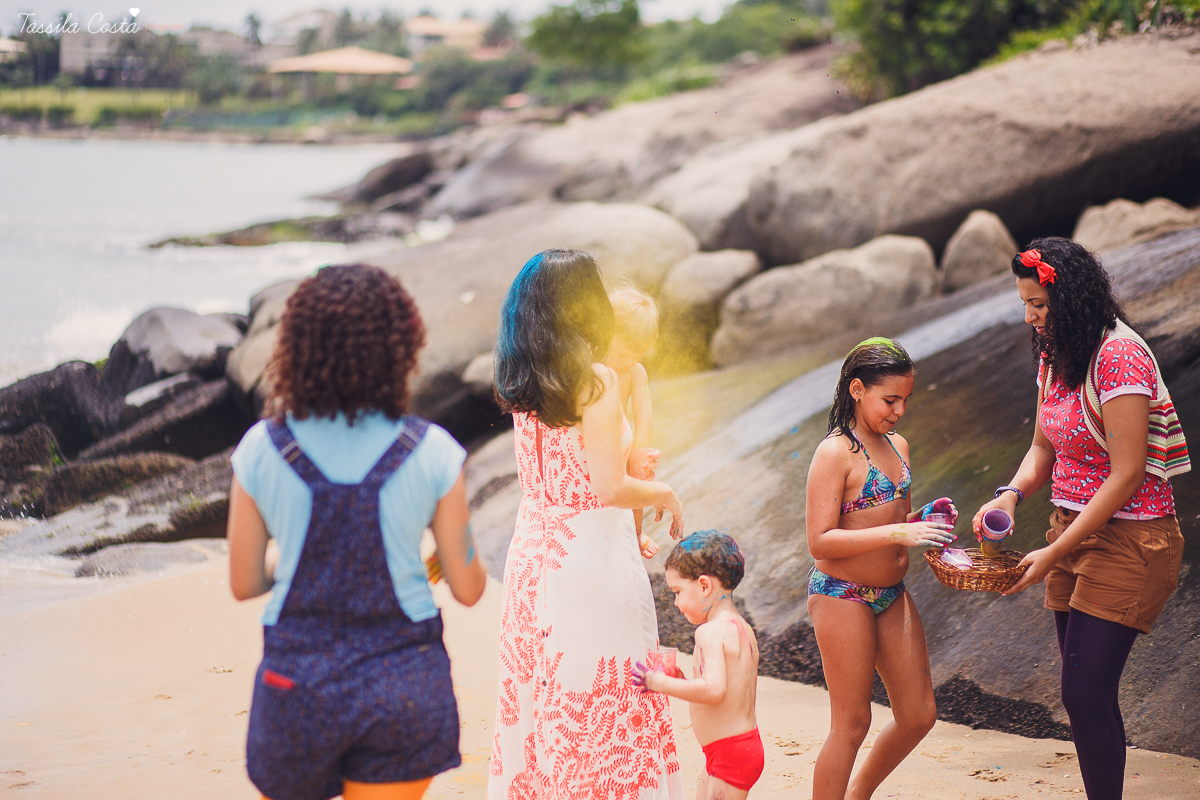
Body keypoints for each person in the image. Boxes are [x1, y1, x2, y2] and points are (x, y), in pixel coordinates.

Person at [226, 264, 488, 800]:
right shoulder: (433, 450)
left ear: (296, 347)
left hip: (298, 684)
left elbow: (245, 580)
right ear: (401, 348)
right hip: (403, 684)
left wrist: (303, 560)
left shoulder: (260, 448)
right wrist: (437, 555)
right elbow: (469, 587)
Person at [971, 238, 1188, 800]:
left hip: (1131, 540)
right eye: (1025, 303)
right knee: (1082, 694)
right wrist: (1010, 495)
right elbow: (1044, 447)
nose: (1031, 317)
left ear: (1071, 298)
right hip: (1070, 529)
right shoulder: (1056, 351)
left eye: (1039, 304)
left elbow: (1128, 473)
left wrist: (1056, 550)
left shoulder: (1118, 356)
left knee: (1086, 695)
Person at [488, 249, 685, 800]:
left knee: (540, 699)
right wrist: (664, 492)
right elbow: (609, 488)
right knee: (608, 696)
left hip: (532, 554)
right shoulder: (595, 381)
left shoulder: (522, 375)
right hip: (591, 554)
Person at [804, 337, 956, 800]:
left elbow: (895, 520)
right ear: (856, 389)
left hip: (891, 593)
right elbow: (819, 541)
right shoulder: (834, 453)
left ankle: (858, 794)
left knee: (918, 715)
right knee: (852, 723)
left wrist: (921, 521)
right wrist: (897, 535)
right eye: (890, 399)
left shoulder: (899, 445)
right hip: (840, 593)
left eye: (905, 400)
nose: (899, 410)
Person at [634, 530, 763, 800]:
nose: (676, 603)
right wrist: (681, 680)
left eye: (678, 592)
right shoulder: (742, 628)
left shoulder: (709, 632)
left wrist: (658, 682)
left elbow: (714, 690)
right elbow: (725, 691)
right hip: (739, 746)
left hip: (728, 752)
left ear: (704, 586)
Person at [603, 285, 663, 559]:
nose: (628, 361)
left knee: (636, 486)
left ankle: (637, 532)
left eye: (637, 356)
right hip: (597, 441)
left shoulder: (635, 372)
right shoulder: (595, 363)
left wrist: (641, 446)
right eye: (624, 353)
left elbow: (643, 408)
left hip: (624, 441)